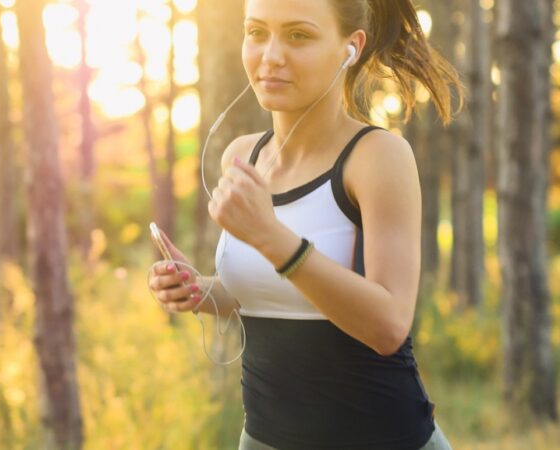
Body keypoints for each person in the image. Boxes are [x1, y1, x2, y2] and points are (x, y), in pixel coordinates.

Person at [148, 0, 463, 448]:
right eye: (256, 32)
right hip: (264, 439)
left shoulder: (377, 157)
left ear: (350, 48)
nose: (270, 55)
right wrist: (198, 290)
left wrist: (272, 238)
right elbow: (266, 297)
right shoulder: (241, 155)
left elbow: (389, 325)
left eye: (298, 35)